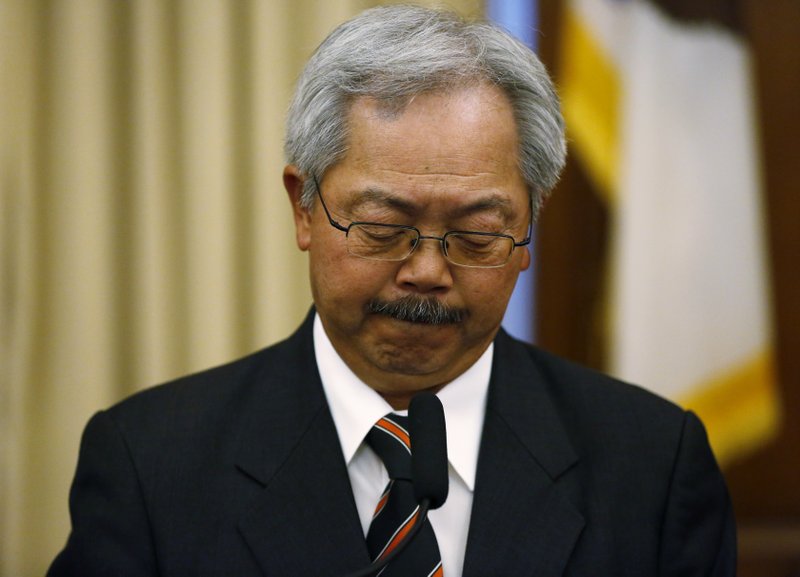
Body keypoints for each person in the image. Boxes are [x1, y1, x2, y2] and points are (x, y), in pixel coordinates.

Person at [48, 5, 735, 576]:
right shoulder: (151, 464)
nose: (428, 271)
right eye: (383, 227)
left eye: (476, 234)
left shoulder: (651, 465)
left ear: (529, 225)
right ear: (304, 208)